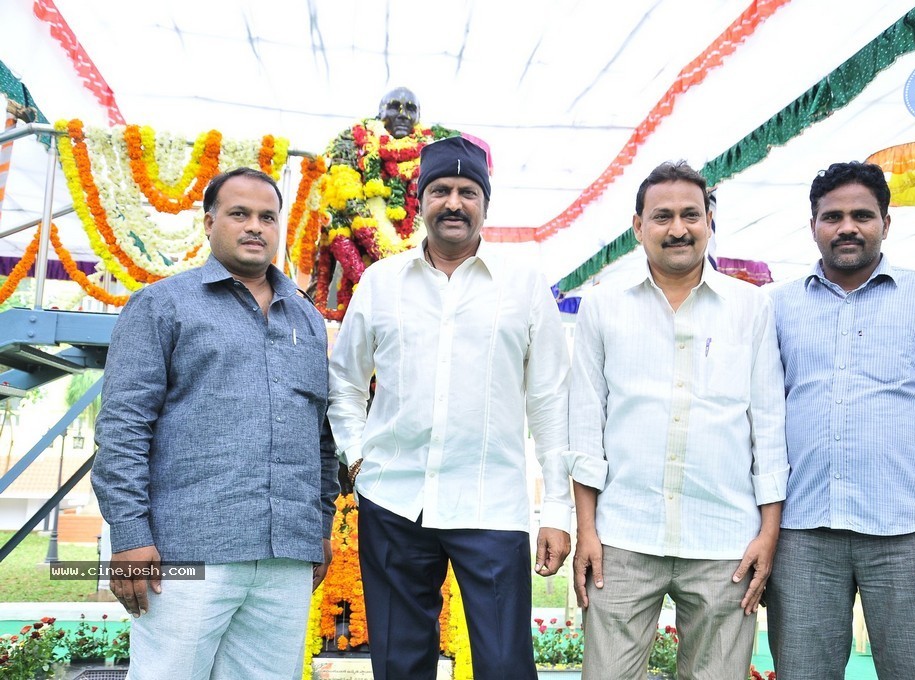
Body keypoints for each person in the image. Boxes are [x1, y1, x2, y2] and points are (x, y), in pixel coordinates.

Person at [328, 135, 572, 679]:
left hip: (490, 501)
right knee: (399, 663)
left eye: (468, 191)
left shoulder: (524, 287)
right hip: (393, 499)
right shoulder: (381, 283)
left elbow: (551, 403)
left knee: (505, 666)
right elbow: (342, 380)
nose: (454, 203)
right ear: (420, 201)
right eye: (440, 190)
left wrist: (557, 510)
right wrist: (357, 456)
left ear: (486, 204)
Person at [92, 167, 340, 680]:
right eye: (239, 214)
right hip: (188, 551)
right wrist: (130, 535)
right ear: (209, 224)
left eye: (267, 217)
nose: (255, 226)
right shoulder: (163, 306)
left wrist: (317, 528)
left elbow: (321, 437)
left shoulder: (306, 318)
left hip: (285, 559)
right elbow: (122, 429)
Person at [766, 161, 915, 679]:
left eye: (862, 215)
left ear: (885, 224)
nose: (847, 227)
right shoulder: (776, 307)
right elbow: (759, 420)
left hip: (910, 534)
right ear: (813, 227)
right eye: (833, 216)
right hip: (802, 534)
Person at [569, 161, 789, 680]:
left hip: (726, 540)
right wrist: (587, 530)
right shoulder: (602, 308)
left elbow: (770, 428)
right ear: (637, 226)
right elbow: (585, 426)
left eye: (691, 214)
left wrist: (768, 533)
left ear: (710, 220)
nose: (678, 228)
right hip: (623, 534)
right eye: (662, 216)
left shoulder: (751, 307)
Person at [314, 86, 460, 321]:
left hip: (423, 269)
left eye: (410, 109)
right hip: (365, 269)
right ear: (379, 111)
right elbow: (346, 202)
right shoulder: (353, 143)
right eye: (394, 107)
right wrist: (381, 263)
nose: (402, 114)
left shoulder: (434, 151)